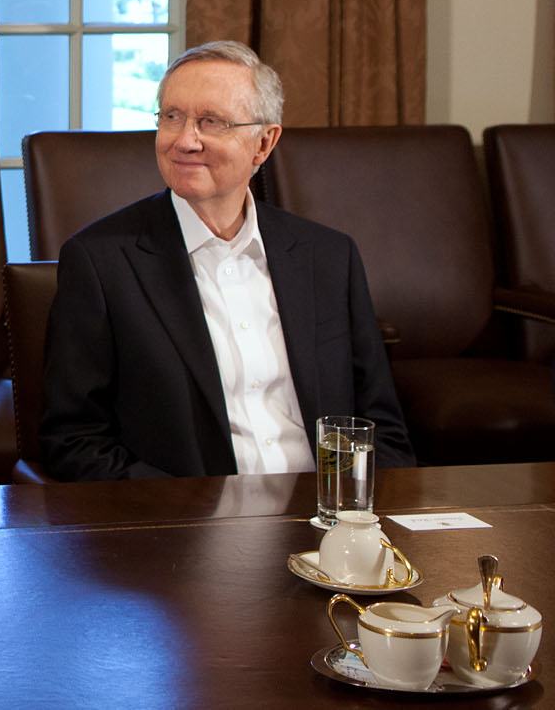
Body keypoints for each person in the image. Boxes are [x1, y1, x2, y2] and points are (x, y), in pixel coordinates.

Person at [39, 40, 414, 481]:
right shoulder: (101, 261)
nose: (185, 140)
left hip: (327, 522)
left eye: (211, 122)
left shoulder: (328, 256)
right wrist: (193, 513)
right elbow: (74, 441)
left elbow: (379, 426)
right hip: (190, 526)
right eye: (172, 117)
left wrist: (354, 517)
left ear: (264, 143)